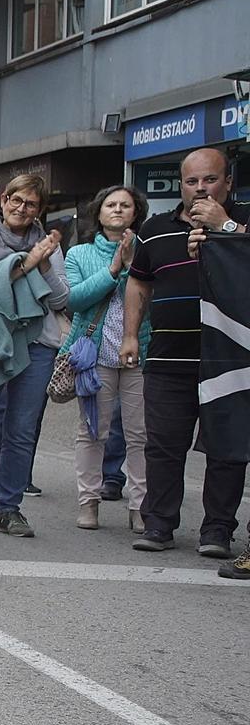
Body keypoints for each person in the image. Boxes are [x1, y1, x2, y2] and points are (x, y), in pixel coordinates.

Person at [124, 147, 247, 556]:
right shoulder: (156, 229)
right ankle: (158, 524)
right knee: (162, 445)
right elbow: (138, 283)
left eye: (209, 180)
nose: (200, 189)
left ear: (228, 182)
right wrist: (129, 335)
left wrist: (226, 227)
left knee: (227, 447)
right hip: (168, 358)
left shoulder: (244, 220)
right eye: (191, 181)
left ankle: (217, 531)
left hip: (229, 360)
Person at [0, 173, 68, 538]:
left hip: (38, 346)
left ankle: (8, 508)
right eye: (16, 200)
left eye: (31, 204)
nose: (21, 208)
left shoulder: (49, 247)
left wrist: (45, 264)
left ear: (40, 210)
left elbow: (60, 300)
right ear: (3, 200)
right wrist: (25, 264)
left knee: (20, 432)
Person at [67, 185, 148, 533]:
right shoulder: (80, 254)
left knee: (140, 434)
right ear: (98, 213)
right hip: (94, 355)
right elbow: (75, 300)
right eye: (110, 205)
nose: (117, 210)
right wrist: (114, 268)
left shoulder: (149, 250)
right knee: (91, 432)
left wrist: (134, 265)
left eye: (125, 205)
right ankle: (89, 502)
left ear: (135, 213)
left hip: (140, 352)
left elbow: (154, 299)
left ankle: (141, 507)